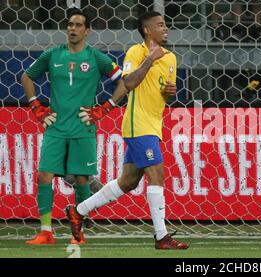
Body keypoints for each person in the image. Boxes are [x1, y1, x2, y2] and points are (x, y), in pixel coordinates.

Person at [66, 10, 189, 250]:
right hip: (138, 124)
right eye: (160, 25)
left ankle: (78, 211)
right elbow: (129, 83)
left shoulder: (171, 58)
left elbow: (162, 91)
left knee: (128, 182)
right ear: (147, 30)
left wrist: (168, 93)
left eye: (166, 25)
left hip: (154, 124)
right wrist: (149, 59)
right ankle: (161, 236)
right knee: (157, 173)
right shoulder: (137, 52)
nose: (166, 29)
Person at [21, 8, 127, 245]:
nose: (73, 28)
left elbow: (124, 81)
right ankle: (46, 231)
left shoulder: (96, 57)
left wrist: (105, 107)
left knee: (81, 179)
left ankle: (77, 233)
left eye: (78, 25)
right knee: (44, 174)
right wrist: (36, 107)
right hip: (56, 127)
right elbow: (27, 77)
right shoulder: (52, 55)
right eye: (70, 24)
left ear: (87, 31)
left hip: (83, 127)